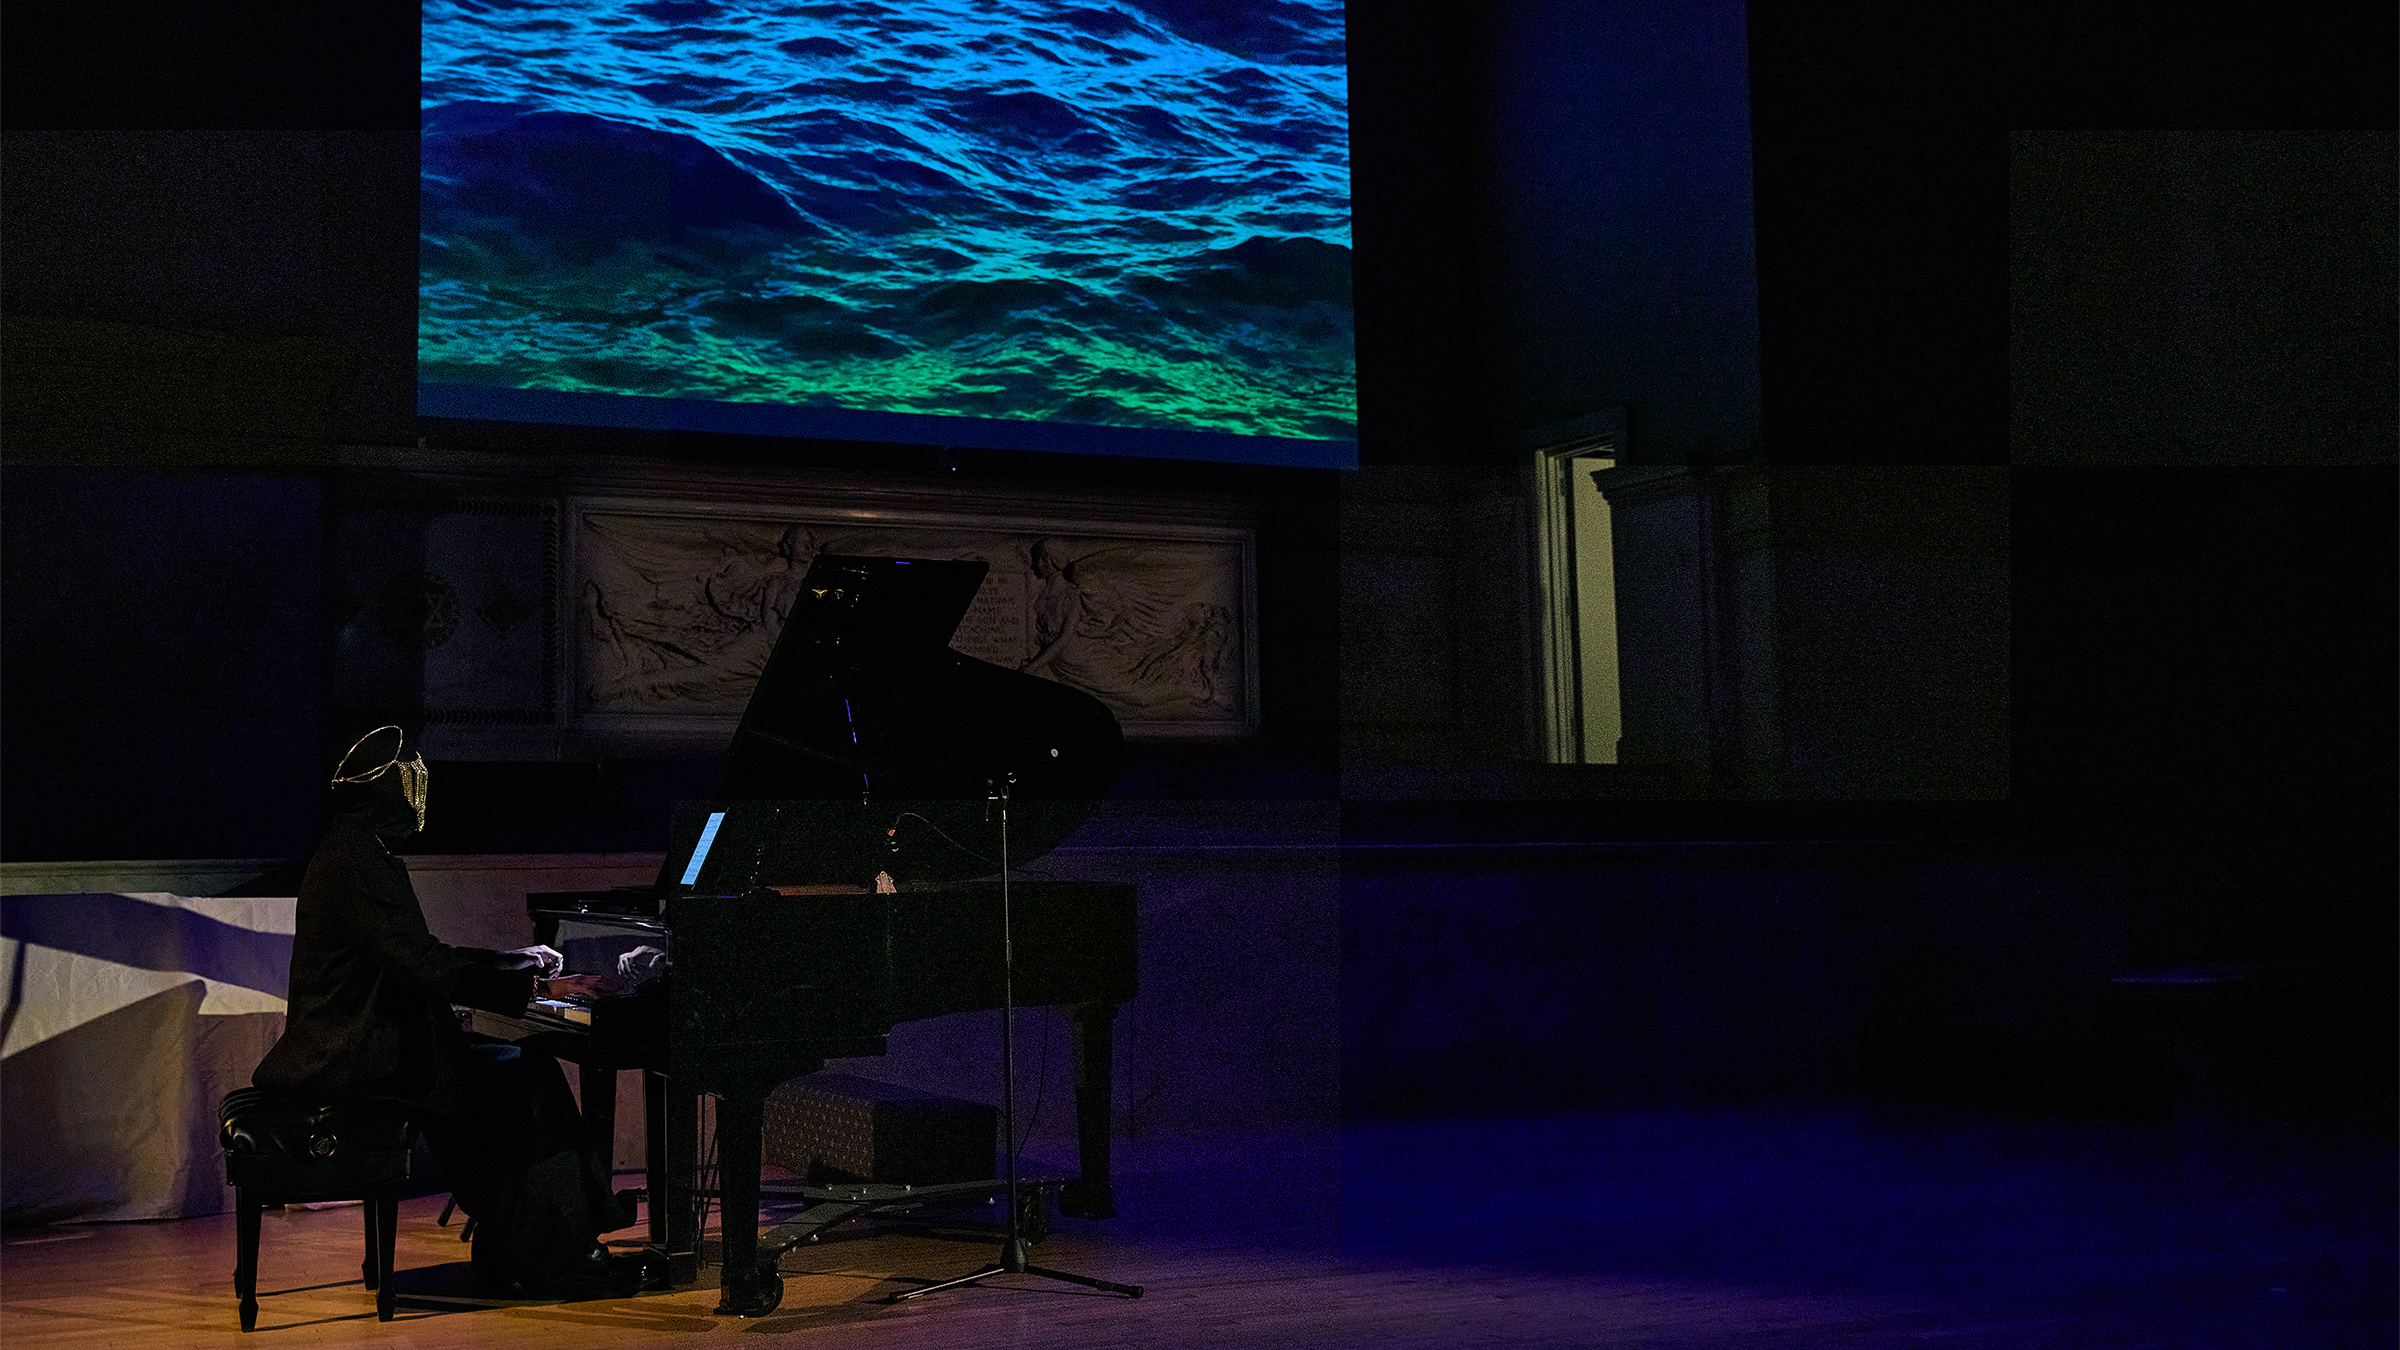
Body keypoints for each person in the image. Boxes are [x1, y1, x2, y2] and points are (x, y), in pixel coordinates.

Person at [253, 726, 643, 1296]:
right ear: (387, 792)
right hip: (356, 1054)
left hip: (373, 1038)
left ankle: (534, 1240)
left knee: (518, 1066)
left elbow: (419, 957)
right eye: (411, 782)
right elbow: (428, 966)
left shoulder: (358, 848)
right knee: (523, 1075)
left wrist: (516, 965)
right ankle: (560, 1252)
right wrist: (532, 986)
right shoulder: (356, 859)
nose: (421, 795)